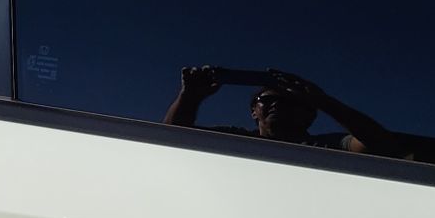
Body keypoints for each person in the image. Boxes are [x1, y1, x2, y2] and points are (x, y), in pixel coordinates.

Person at [165, 65, 407, 158]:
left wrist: (324, 101)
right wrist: (190, 97)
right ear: (253, 111)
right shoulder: (235, 139)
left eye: (292, 101)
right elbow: (172, 140)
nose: (277, 105)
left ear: (311, 113)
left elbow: (379, 144)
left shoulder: (328, 147)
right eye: (266, 100)